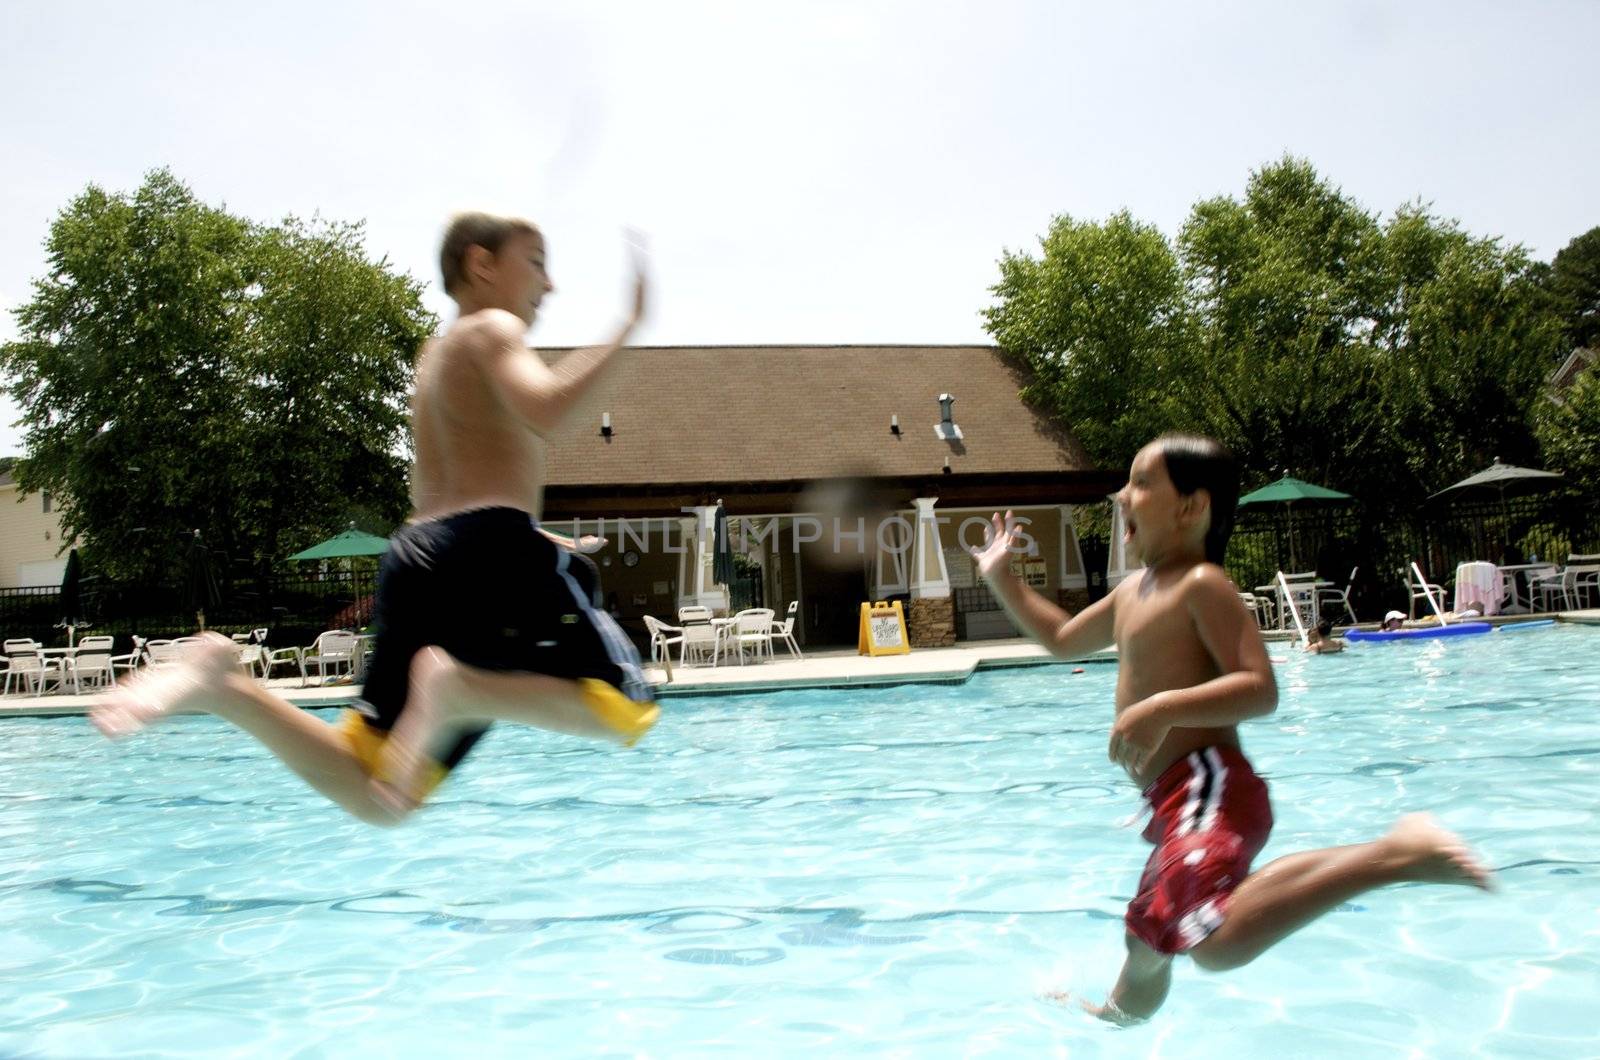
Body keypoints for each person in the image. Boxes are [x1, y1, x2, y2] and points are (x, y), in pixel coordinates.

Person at [93, 212, 660, 823]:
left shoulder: (433, 361)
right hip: (485, 548)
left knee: (379, 794)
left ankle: (226, 688)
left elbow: (446, 498)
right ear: (482, 263)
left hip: (419, 558)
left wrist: (524, 537)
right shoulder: (492, 328)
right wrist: (628, 323)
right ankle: (461, 690)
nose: (548, 286)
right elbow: (546, 411)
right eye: (537, 262)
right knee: (625, 706)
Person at [972, 433, 1491, 1023]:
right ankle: (1115, 1020)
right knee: (1146, 945)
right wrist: (1000, 577)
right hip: (1174, 804)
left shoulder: (1201, 585)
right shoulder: (1132, 594)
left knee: (1213, 943)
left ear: (1192, 509)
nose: (1122, 495)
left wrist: (1162, 708)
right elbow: (1061, 640)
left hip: (1208, 789)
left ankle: (1398, 854)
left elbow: (1260, 688)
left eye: (1141, 483)